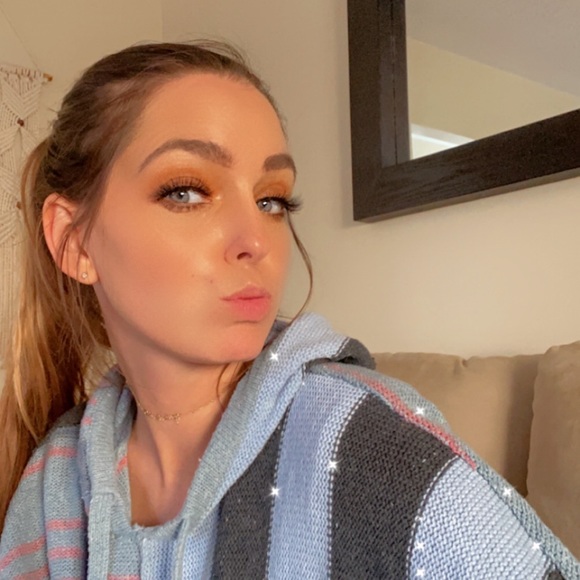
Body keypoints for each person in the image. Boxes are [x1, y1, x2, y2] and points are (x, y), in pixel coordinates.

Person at [0, 41, 577, 580]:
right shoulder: (56, 478)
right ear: (73, 241)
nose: (257, 240)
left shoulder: (369, 447)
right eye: (186, 191)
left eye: (271, 199)